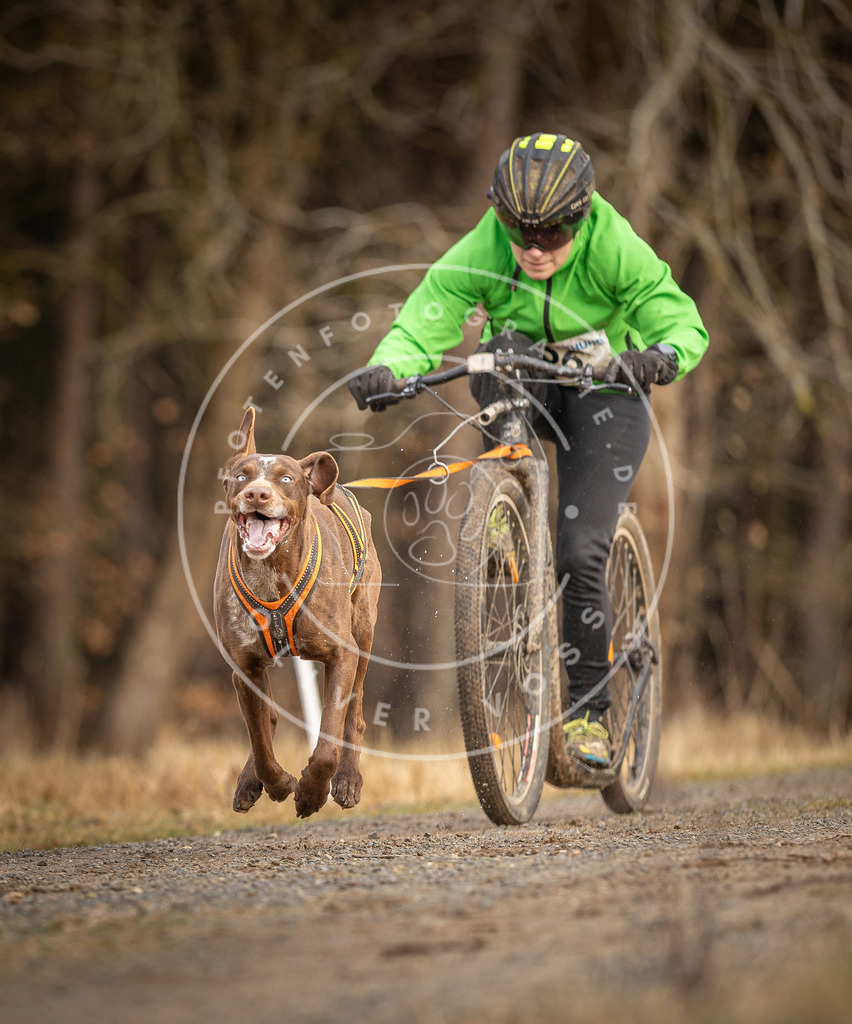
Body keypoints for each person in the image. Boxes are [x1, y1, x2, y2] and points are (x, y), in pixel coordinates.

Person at [349, 131, 708, 767]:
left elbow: (676, 317)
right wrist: (389, 368)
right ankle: (505, 505)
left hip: (606, 390)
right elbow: (428, 314)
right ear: (501, 217)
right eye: (521, 232)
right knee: (498, 354)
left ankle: (589, 716)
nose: (535, 248)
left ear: (582, 218)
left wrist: (660, 355)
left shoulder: (612, 244)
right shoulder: (486, 244)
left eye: (553, 234)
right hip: (527, 381)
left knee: (578, 552)